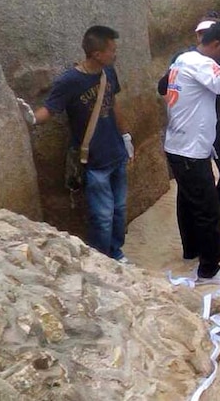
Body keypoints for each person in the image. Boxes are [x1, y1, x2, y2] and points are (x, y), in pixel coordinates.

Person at [16, 26, 133, 263]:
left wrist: (127, 137)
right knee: (102, 216)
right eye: (112, 50)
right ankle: (104, 260)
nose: (115, 54)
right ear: (97, 54)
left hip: (116, 153)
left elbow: (114, 104)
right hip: (94, 160)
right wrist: (31, 118)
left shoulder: (108, 73)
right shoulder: (70, 81)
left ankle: (116, 253)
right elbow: (50, 108)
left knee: (119, 210)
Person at [163, 22, 220, 281]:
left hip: (178, 145)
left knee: (188, 202)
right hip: (190, 150)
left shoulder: (181, 60)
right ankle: (210, 269)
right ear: (216, 45)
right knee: (208, 210)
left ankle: (191, 251)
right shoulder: (200, 63)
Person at [157, 11, 220, 216]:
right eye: (201, 33)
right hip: (193, 133)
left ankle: (214, 213)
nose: (204, 37)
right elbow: (164, 87)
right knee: (196, 185)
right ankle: (211, 218)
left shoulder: (218, 58)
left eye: (208, 32)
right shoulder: (189, 60)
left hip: (216, 123)